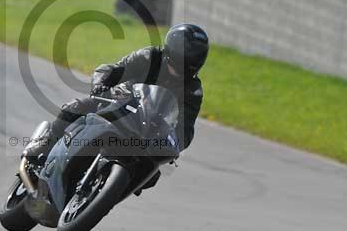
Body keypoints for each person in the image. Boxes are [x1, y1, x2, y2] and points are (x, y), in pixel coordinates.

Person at [21, 23, 209, 191]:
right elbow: (113, 70)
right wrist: (102, 85)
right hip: (120, 103)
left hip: (150, 128)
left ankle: (106, 189)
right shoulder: (149, 57)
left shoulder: (193, 90)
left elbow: (186, 127)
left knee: (153, 174)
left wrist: (176, 142)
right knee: (74, 108)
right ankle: (44, 145)